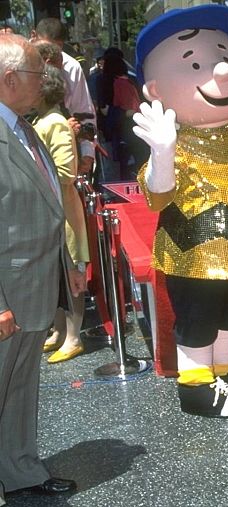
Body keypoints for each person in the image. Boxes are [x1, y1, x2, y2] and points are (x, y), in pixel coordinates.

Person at [133, 5, 228, 417]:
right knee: (199, 315)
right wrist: (162, 152)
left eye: (224, 57)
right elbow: (157, 195)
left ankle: (226, 367)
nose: (220, 73)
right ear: (155, 91)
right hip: (196, 251)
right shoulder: (176, 140)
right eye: (196, 64)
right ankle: (197, 386)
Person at [0, 34, 83, 501]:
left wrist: (66, 263)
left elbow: (47, 205)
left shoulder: (23, 125)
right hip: (7, 293)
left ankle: (20, 471)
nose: (46, 82)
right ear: (10, 78)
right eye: (37, 73)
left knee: (20, 390)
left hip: (33, 283)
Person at [33, 66, 90, 363]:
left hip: (63, 209)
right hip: (54, 209)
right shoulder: (44, 120)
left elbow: (66, 172)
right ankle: (59, 331)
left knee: (72, 277)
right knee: (57, 276)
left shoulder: (53, 121)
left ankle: (73, 335)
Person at [32, 18, 96, 177]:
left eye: (57, 48)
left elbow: (84, 109)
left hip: (66, 151)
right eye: (46, 47)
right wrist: (62, 128)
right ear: (33, 36)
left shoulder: (71, 66)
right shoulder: (17, 62)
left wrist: (87, 151)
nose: (52, 52)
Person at [97, 49, 146, 180]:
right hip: (136, 129)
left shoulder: (103, 80)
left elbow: (104, 109)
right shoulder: (133, 79)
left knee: (114, 169)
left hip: (114, 133)